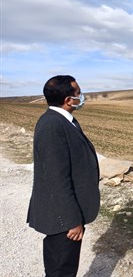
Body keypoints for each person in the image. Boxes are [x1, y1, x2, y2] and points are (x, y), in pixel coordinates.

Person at [27, 75, 100, 277]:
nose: (82, 97)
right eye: (78, 93)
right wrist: (72, 220)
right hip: (62, 217)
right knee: (61, 269)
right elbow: (56, 179)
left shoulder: (64, 120)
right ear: (68, 100)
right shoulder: (52, 126)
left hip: (65, 212)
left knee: (63, 266)